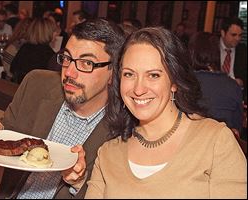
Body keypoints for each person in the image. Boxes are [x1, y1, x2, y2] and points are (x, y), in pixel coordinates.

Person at [85, 27, 247, 198]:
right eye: (129, 74)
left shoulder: (215, 141)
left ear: (174, 82)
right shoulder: (108, 153)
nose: (138, 89)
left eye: (153, 75)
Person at [0, 18, 125, 199]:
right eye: (67, 58)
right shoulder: (36, 84)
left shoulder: (124, 132)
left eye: (86, 63)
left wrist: (78, 183)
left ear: (113, 73)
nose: (69, 72)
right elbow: (9, 127)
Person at [188, 31, 243, 137]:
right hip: (222, 147)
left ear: (191, 53)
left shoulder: (184, 83)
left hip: (188, 146)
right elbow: (237, 128)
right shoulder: (233, 86)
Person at [10, 18, 57, 84]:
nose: (56, 34)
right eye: (54, 31)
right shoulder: (49, 55)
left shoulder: (25, 48)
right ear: (47, 33)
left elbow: (13, 68)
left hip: (20, 89)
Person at [219, 17, 247, 103]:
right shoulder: (211, 47)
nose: (238, 39)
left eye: (240, 35)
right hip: (215, 92)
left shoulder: (243, 51)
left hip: (236, 97)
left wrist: (242, 82)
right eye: (234, 35)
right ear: (223, 33)